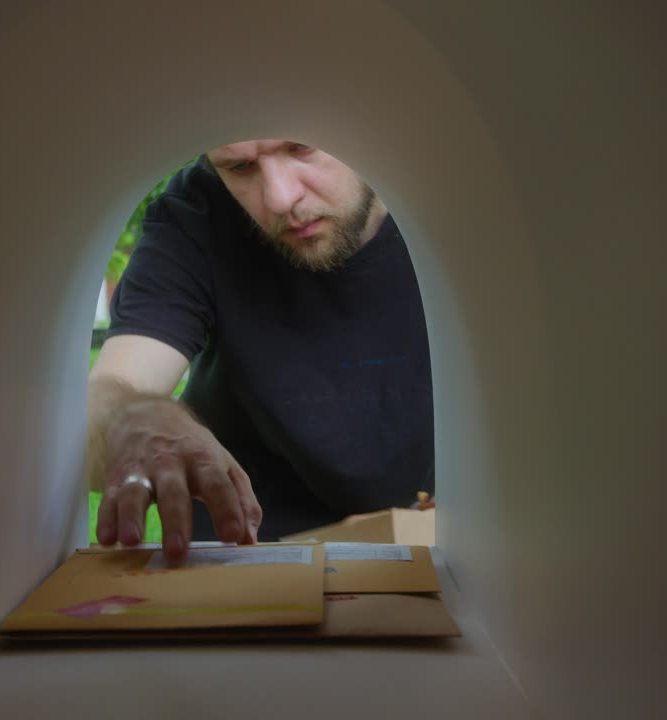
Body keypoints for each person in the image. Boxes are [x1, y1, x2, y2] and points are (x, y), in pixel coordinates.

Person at [86, 139, 434, 562]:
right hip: (248, 555)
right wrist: (133, 420)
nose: (280, 198)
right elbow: (108, 392)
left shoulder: (457, 193)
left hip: (439, 545)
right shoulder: (195, 213)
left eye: (301, 148)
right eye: (240, 168)